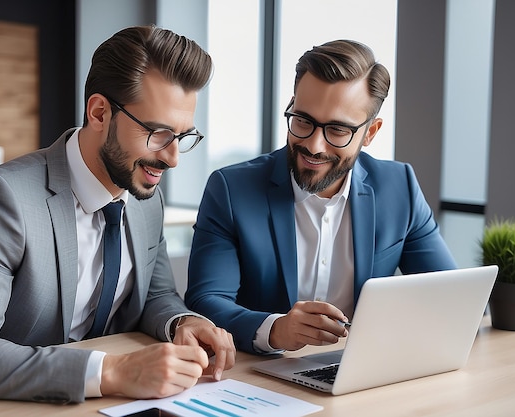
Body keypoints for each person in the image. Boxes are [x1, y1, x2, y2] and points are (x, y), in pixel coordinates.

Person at [0, 25, 235, 403]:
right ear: (100, 112)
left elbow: (156, 297)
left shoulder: (145, 198)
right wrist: (113, 372)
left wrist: (182, 322)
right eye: (158, 133)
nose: (172, 158)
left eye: (183, 137)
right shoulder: (1, 199)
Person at [185, 39, 457, 355]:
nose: (314, 146)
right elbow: (206, 301)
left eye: (337, 130)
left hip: (361, 370)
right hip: (263, 373)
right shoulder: (231, 189)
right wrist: (275, 329)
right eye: (303, 121)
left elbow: (449, 299)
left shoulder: (400, 188)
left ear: (370, 132)